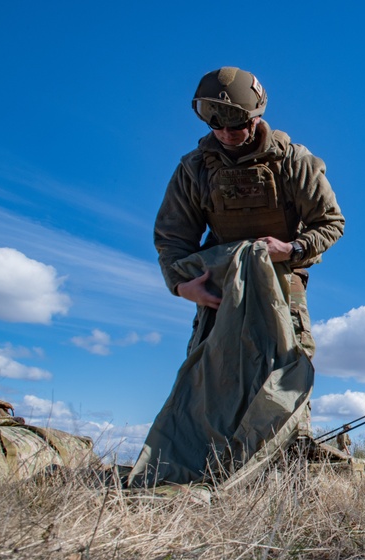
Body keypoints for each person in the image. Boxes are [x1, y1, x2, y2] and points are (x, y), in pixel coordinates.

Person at [129, 66, 345, 486]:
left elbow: (330, 222)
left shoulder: (292, 160)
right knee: (215, 372)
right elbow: (171, 236)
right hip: (220, 290)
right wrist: (180, 284)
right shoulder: (195, 169)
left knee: (287, 369)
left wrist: (292, 249)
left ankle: (285, 477)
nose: (227, 133)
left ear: (257, 117)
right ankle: (210, 469)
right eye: (217, 124)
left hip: (284, 285)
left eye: (238, 124)